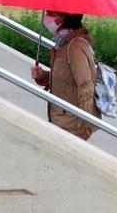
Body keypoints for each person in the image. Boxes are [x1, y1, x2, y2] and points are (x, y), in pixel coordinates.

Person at [30, 11, 100, 141]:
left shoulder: (75, 47)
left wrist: (84, 126)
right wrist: (42, 76)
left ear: (67, 17)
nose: (48, 17)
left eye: (52, 13)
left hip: (71, 126)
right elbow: (66, 79)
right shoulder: (63, 44)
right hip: (61, 120)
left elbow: (85, 85)